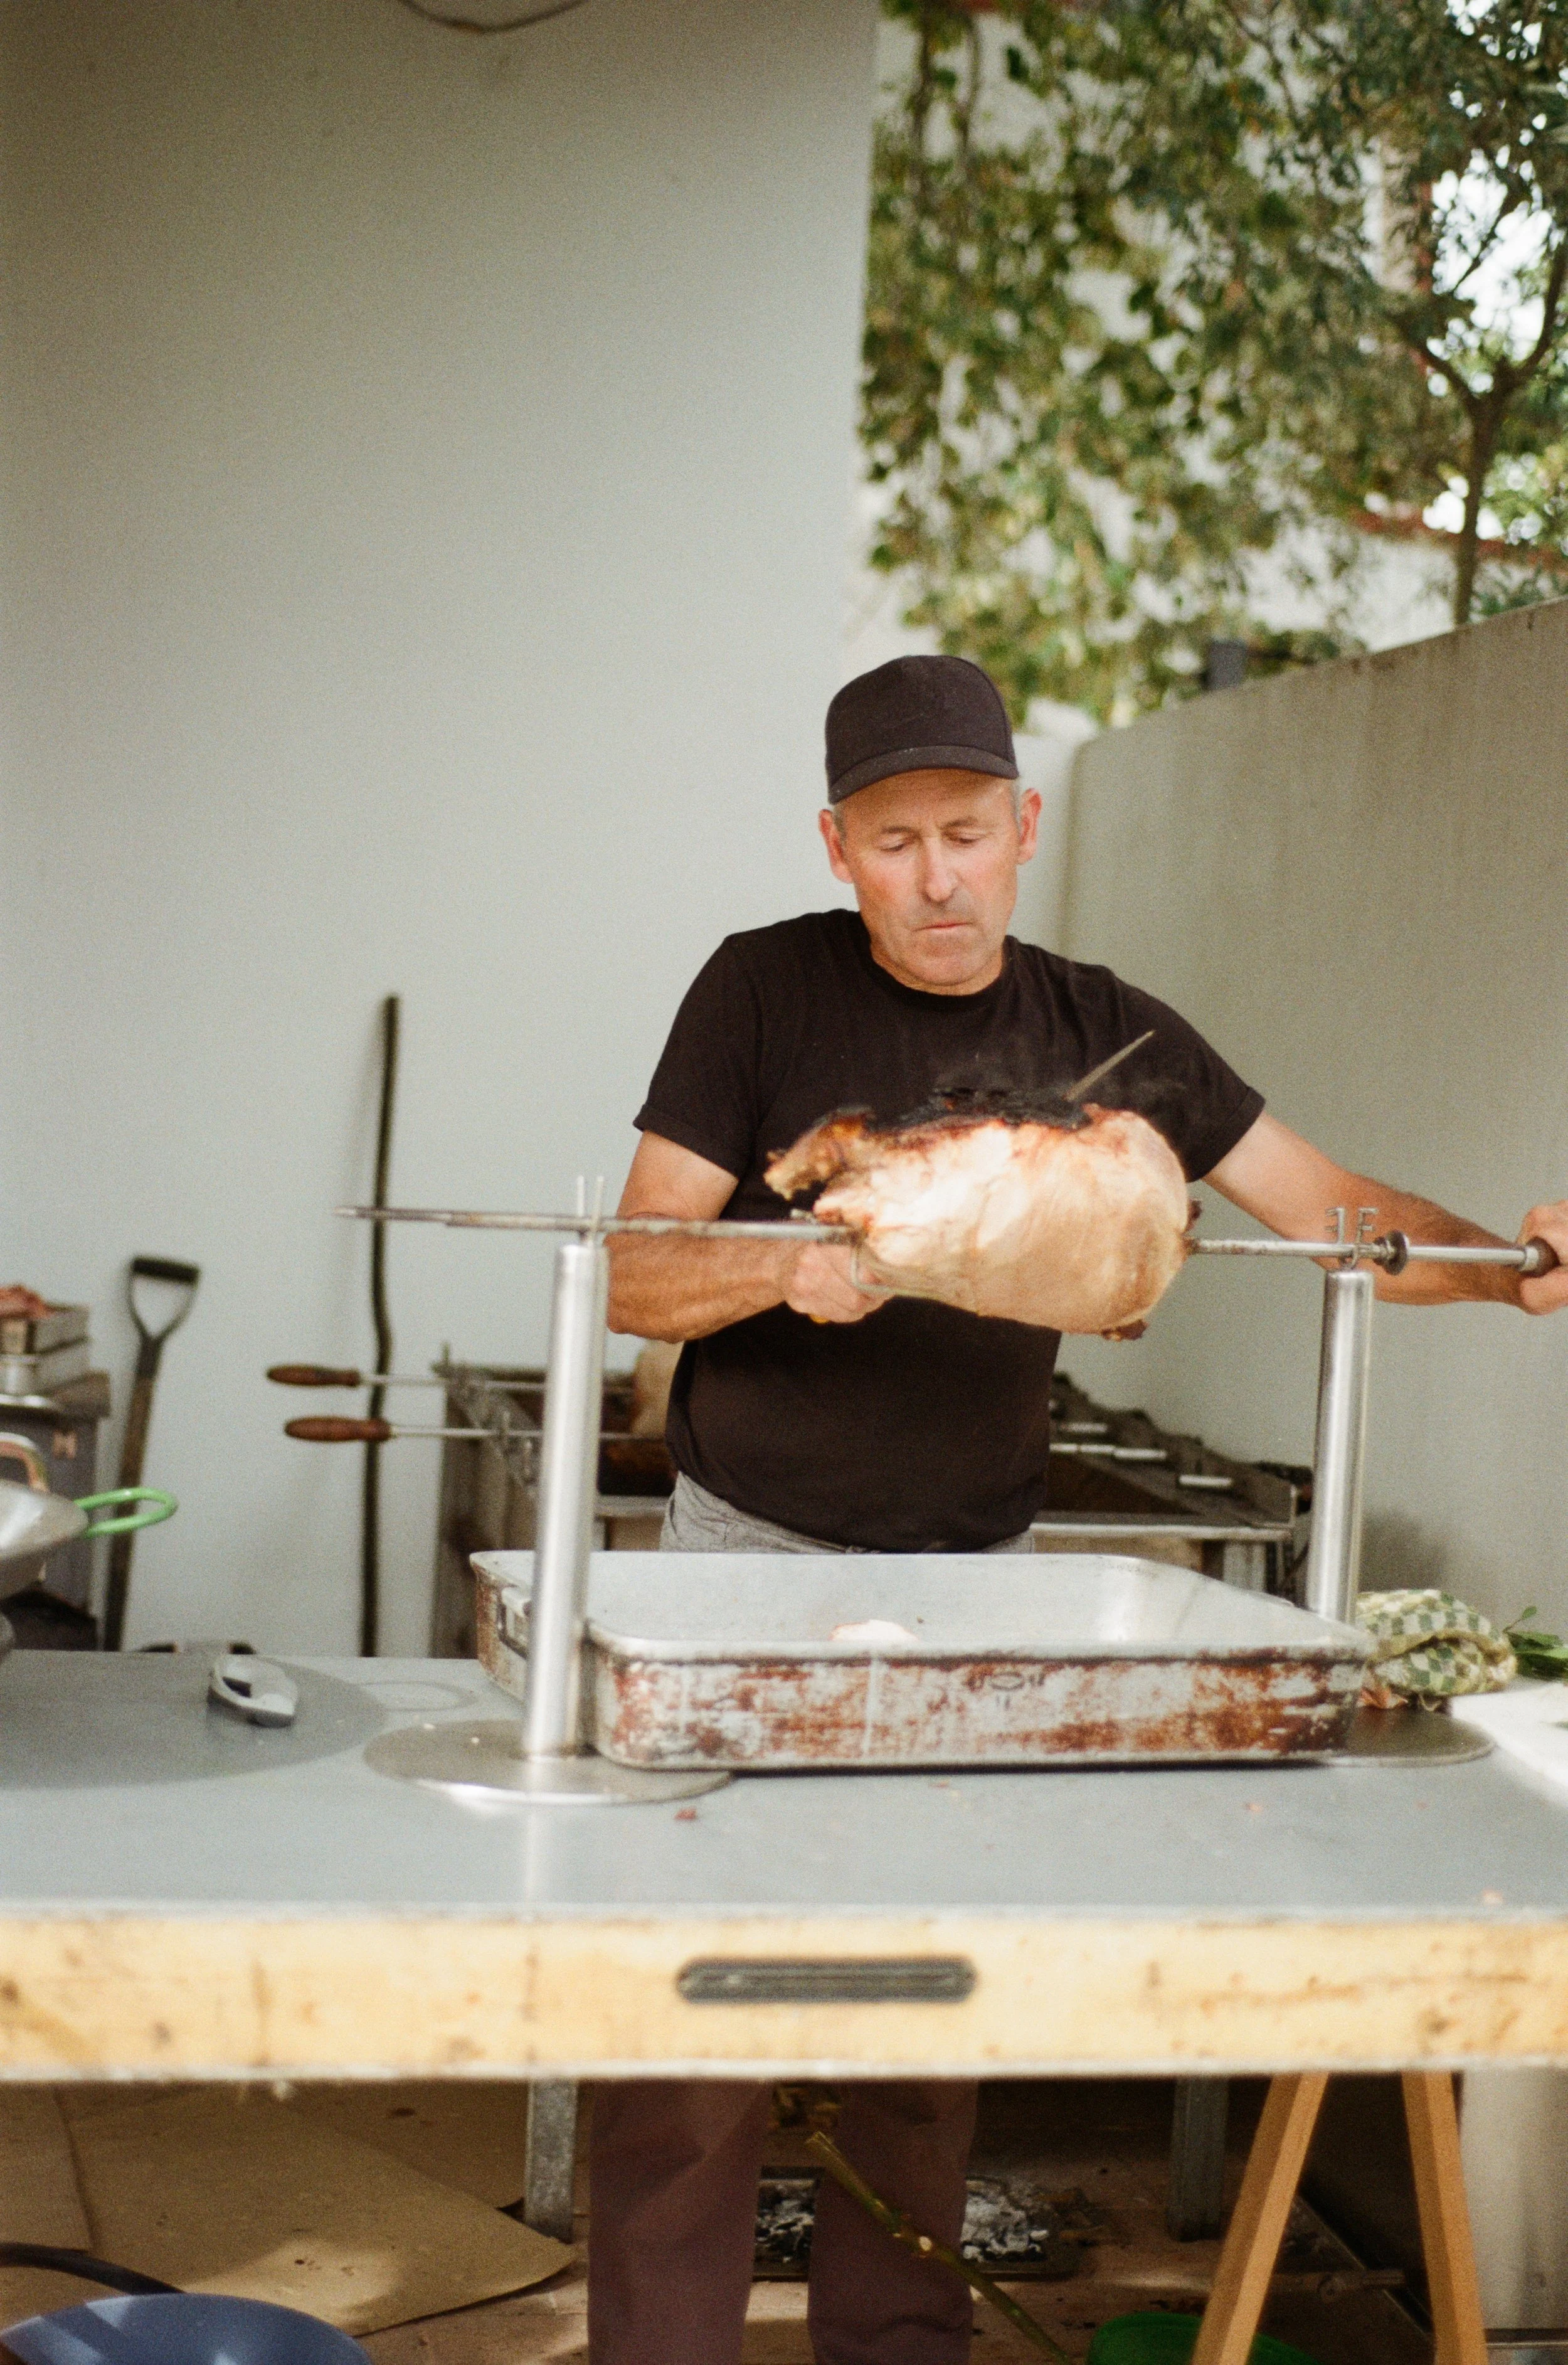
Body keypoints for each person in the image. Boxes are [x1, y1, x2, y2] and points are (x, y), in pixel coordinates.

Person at [591, 654, 1568, 2365]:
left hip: (974, 1587)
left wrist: (1503, 1269)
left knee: (926, 2015)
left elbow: (1327, 1209)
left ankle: (892, 2351)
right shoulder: (757, 995)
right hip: (745, 1570)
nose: (937, 875)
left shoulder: (1095, 1032)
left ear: (1021, 827)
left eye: (966, 832)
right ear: (837, 845)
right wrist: (781, 1274)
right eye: (894, 841)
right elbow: (635, 1270)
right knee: (698, 2010)